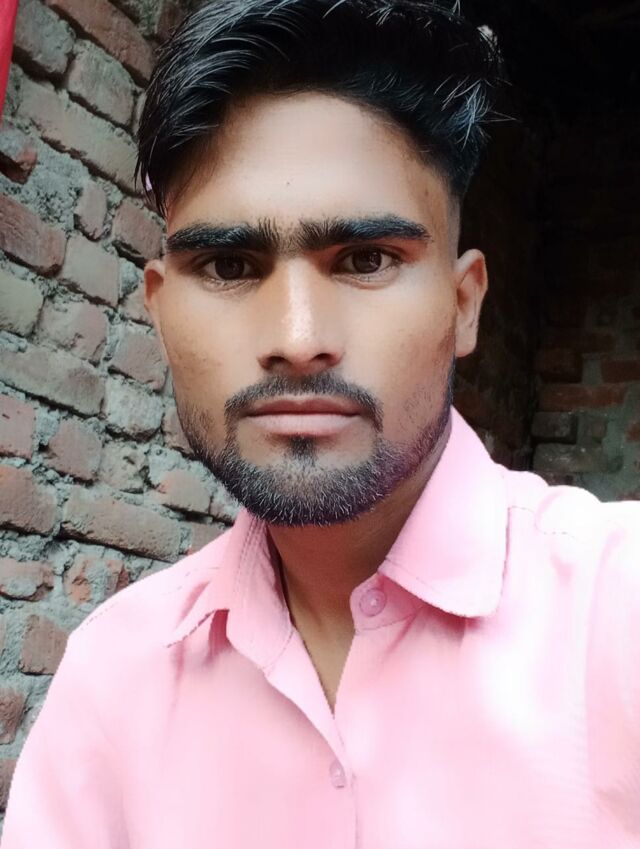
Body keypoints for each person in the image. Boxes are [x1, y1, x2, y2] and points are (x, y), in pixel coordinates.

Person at [3, 1, 640, 846]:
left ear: (464, 303)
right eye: (229, 265)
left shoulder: (615, 610)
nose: (299, 338)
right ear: (158, 310)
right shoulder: (112, 680)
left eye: (366, 260)